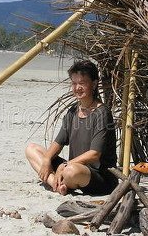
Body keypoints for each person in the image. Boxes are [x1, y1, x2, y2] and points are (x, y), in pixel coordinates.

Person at [25, 59, 118, 195]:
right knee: (32, 149)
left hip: (99, 176)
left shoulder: (102, 113)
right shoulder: (73, 111)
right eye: (74, 83)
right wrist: (46, 160)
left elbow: (94, 154)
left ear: (94, 83)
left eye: (81, 83)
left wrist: (64, 165)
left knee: (71, 171)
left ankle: (60, 182)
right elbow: (59, 142)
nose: (77, 88)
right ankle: (56, 184)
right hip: (72, 166)